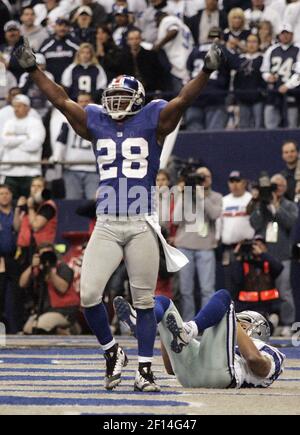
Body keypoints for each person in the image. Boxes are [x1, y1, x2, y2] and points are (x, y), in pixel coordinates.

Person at [13, 34, 223, 392]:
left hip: (141, 222)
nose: (116, 104)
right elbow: (61, 99)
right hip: (108, 223)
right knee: (89, 295)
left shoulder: (154, 117)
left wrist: (205, 70)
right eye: (112, 99)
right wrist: (34, 70)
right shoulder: (96, 119)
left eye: (124, 99)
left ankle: (144, 369)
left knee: (143, 301)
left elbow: (184, 98)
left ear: (139, 101)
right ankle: (112, 353)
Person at [113, 290, 285, 389]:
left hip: (222, 375)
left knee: (224, 297)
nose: (238, 322)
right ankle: (146, 322)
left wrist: (235, 324)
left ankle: (191, 328)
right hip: (192, 375)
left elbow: (256, 361)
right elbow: (170, 368)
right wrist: (165, 329)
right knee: (164, 303)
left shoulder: (268, 351)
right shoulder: (219, 349)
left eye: (244, 323)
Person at [250, 174, 299, 336]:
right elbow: (254, 223)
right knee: (263, 290)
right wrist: (259, 203)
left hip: (282, 254)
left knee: (284, 290)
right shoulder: (262, 205)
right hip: (264, 255)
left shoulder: (289, 205)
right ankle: (264, 322)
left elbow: (290, 222)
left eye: (280, 185)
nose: (276, 188)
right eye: (274, 185)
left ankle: (287, 322)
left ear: (284, 188)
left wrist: (276, 206)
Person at [174, 167, 223, 320]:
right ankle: (189, 323)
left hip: (205, 246)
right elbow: (175, 219)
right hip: (184, 245)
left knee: (207, 289)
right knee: (185, 290)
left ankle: (206, 322)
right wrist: (184, 194)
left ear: (211, 179)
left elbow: (215, 214)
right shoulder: (184, 194)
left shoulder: (216, 197)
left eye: (206, 176)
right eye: (199, 177)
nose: (203, 179)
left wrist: (202, 197)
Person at [20, 243, 80, 335]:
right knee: (28, 330)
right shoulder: (37, 269)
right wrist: (32, 266)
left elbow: (62, 288)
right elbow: (22, 284)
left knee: (39, 328)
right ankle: (61, 330)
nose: (45, 258)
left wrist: (50, 271)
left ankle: (68, 327)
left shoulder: (62, 267)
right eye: (43, 255)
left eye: (48, 254)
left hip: (64, 310)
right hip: (45, 311)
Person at [52, 92, 99, 200]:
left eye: (86, 101)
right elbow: (61, 140)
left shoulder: (100, 121)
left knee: (94, 202)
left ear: (92, 102)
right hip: (72, 168)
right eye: (80, 102)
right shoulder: (68, 120)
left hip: (93, 169)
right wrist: (57, 156)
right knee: (72, 201)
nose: (83, 104)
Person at [0, 94, 46, 198]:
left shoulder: (36, 123)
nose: (16, 109)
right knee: (9, 204)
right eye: (14, 106)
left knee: (31, 203)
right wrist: (25, 137)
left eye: (19, 106)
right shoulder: (9, 123)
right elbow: (5, 142)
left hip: (30, 172)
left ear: (27, 107)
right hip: (10, 172)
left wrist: (14, 138)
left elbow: (34, 145)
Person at [218, 170, 255, 293]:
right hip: (229, 250)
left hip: (248, 249)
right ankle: (234, 312)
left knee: (250, 285)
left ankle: (250, 312)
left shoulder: (251, 199)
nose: (234, 185)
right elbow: (219, 223)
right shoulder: (224, 200)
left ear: (244, 183)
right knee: (230, 285)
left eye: (237, 181)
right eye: (231, 181)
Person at [261, 24, 300, 129]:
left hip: (292, 94)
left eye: (287, 33)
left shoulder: (298, 49)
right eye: (282, 33)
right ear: (279, 35)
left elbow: (299, 74)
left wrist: (288, 85)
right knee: (270, 125)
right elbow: (264, 70)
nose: (285, 36)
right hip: (273, 92)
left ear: (292, 35)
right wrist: (268, 77)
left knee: (292, 125)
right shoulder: (272, 50)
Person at [14, 176, 57, 268]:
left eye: (39, 186)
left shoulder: (48, 206)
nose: (35, 188)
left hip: (41, 251)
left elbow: (36, 226)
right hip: (24, 251)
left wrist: (30, 208)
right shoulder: (28, 204)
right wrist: (18, 208)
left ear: (44, 189)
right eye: (33, 186)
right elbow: (16, 227)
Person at [233, 33, 265, 129]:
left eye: (254, 42)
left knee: (258, 125)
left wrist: (262, 92)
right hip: (243, 98)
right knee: (243, 126)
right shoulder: (239, 59)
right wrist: (236, 95)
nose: (251, 44)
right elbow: (236, 79)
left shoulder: (262, 58)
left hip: (258, 98)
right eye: (249, 42)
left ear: (259, 44)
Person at [0, 184, 19, 333]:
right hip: (0, 258)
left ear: (11, 195)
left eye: (6, 193)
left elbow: (18, 229)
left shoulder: (16, 213)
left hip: (15, 259)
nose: (4, 196)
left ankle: (14, 329)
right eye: (1, 194)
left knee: (13, 295)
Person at [39, 18, 80, 83]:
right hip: (50, 81)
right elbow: (39, 59)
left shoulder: (74, 42)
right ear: (55, 27)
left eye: (65, 26)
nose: (62, 28)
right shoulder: (47, 43)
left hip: (70, 81)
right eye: (60, 25)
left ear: (69, 28)